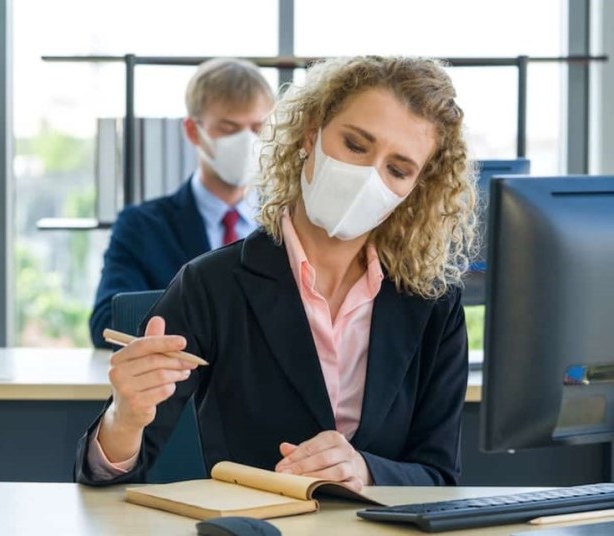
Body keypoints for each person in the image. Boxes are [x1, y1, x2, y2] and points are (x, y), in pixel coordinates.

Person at [76, 55, 477, 489]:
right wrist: (125, 417)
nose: (367, 177)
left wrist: (366, 470)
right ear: (312, 133)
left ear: (414, 190)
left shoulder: (434, 303)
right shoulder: (212, 283)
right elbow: (107, 475)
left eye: (397, 170)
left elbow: (439, 476)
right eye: (356, 146)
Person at [89, 58, 275, 348]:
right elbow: (108, 321)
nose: (247, 141)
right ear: (192, 130)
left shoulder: (288, 222)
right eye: (228, 128)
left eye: (258, 127)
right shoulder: (142, 227)